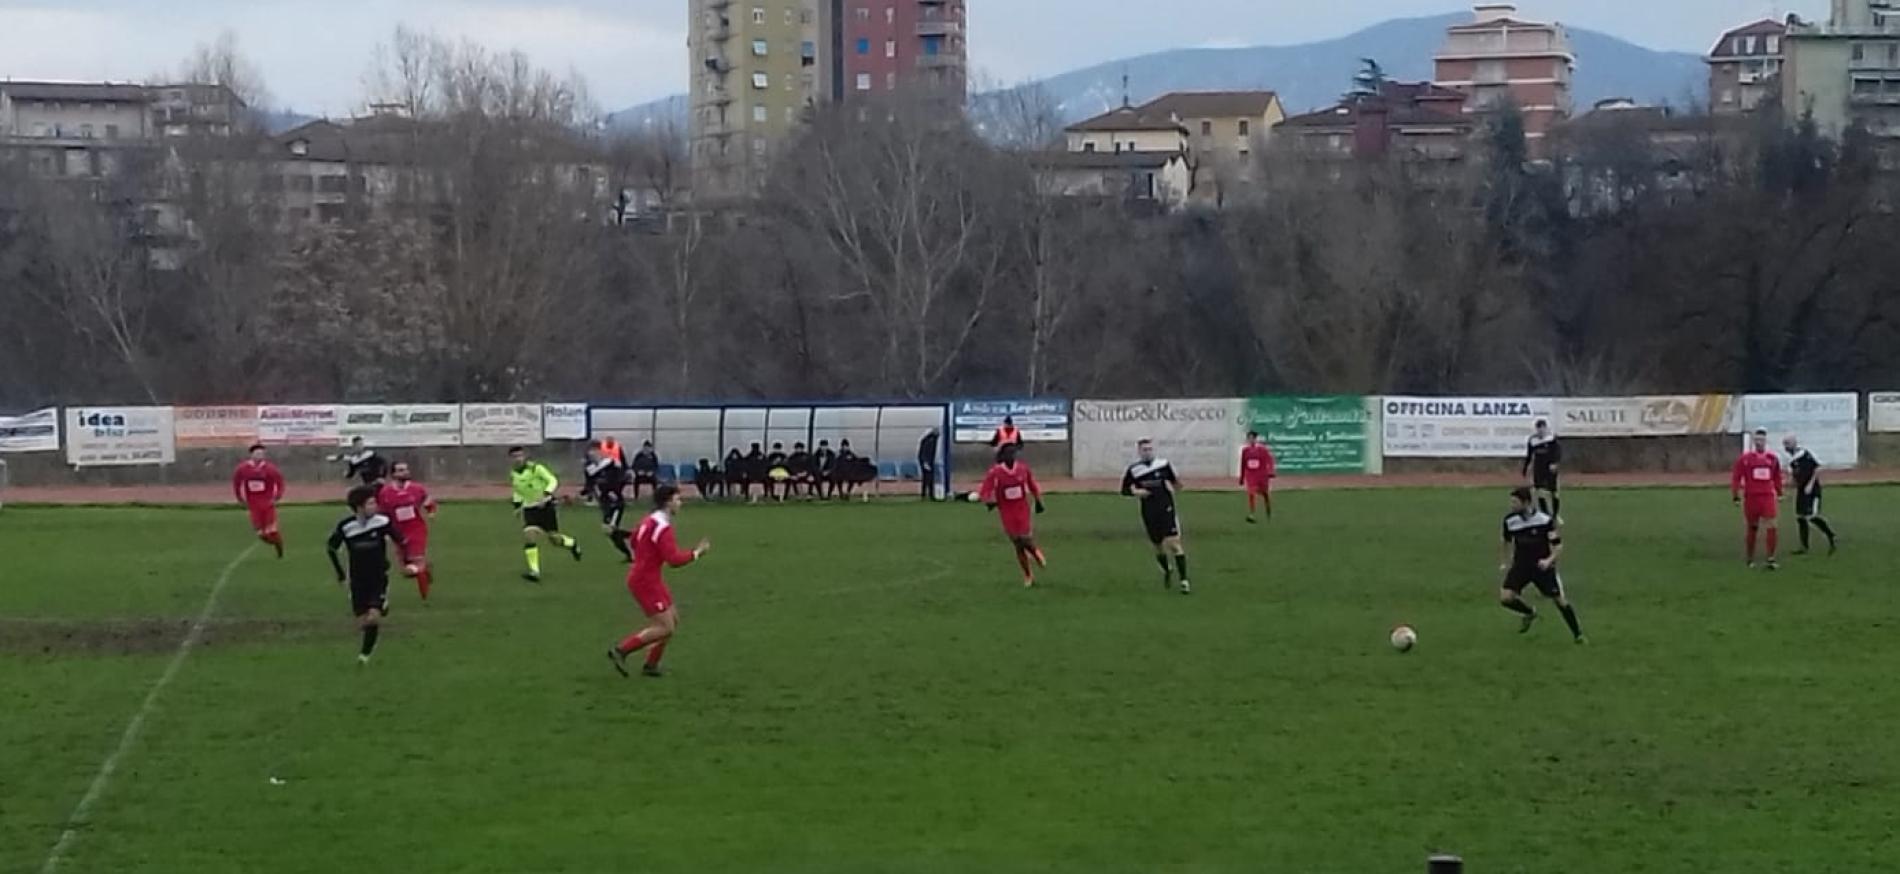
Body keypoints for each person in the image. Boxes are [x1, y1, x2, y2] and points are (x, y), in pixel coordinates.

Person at [607, 485, 711, 679]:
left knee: (673, 620)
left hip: (648, 576)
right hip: (645, 580)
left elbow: (635, 541)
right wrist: (697, 553)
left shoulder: (649, 520)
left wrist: (646, 558)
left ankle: (651, 665)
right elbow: (674, 560)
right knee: (665, 627)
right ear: (668, 502)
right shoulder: (663, 527)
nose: (680, 504)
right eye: (678, 500)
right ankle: (621, 651)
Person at [325, 485, 406, 665]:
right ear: (359, 507)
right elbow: (331, 548)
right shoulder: (346, 526)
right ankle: (377, 614)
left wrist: (406, 561)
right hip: (357, 579)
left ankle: (364, 656)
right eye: (370, 503)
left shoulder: (382, 521)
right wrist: (340, 574)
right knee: (364, 622)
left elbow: (400, 540)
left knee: (373, 617)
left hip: (378, 576)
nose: (375, 506)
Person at [1497, 486, 1586, 644]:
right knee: (1506, 598)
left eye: (1515, 502)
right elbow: (1506, 541)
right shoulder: (1510, 521)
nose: (1512, 505)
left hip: (1541, 567)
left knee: (1560, 601)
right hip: (1521, 566)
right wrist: (1505, 561)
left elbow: (1558, 546)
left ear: (1526, 503)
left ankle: (1578, 634)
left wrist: (1548, 560)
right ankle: (1529, 613)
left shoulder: (1544, 520)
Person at [1121, 439, 1192, 594]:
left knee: (1173, 543)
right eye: (1144, 449)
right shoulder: (1134, 470)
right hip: (1148, 510)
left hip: (1166, 507)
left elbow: (1177, 483)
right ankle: (1167, 569)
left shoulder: (1164, 464)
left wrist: (1176, 486)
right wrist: (1136, 492)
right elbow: (1124, 490)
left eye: (1150, 449)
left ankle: (1184, 580)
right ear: (1139, 452)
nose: (1148, 452)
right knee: (1157, 546)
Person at [977, 443, 1047, 587]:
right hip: (1006, 510)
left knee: (1025, 538)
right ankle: (1028, 575)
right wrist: (988, 501)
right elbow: (985, 490)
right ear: (1003, 456)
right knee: (1017, 543)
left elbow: (1032, 485)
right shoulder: (995, 472)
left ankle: (1035, 552)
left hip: (1022, 508)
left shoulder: (1022, 469)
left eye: (1014, 454)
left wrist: (1039, 501)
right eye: (1010, 454)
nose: (1013, 457)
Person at [509, 446, 582, 582]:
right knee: (529, 535)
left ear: (525, 456)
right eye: (514, 457)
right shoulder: (513, 473)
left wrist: (546, 494)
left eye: (520, 456)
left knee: (554, 539)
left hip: (546, 507)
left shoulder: (536, 468)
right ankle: (534, 571)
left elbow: (552, 480)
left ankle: (572, 544)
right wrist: (517, 506)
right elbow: (518, 491)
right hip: (530, 509)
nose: (518, 459)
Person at [376, 462, 438, 602]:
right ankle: (424, 569)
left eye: (406, 469)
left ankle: (425, 598)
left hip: (416, 530)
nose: (405, 472)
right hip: (397, 533)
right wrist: (384, 533)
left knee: (416, 563)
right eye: (400, 470)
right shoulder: (385, 493)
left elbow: (428, 502)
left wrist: (431, 512)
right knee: (406, 571)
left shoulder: (417, 489)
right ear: (393, 474)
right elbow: (383, 513)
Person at [1732, 429, 1785, 570]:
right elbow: (1737, 477)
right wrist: (1735, 495)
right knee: (1752, 528)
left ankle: (1771, 559)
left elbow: (1777, 477)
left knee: (1772, 526)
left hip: (1767, 496)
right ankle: (1750, 558)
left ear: (1765, 441)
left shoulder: (1772, 459)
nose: (1759, 443)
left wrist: (1780, 492)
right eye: (1757, 440)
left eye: (1761, 440)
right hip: (1751, 498)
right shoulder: (1745, 459)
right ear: (1753, 442)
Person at [1784, 435, 1839, 556]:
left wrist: (1810, 484)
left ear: (1794, 443)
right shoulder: (1792, 460)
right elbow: (1795, 476)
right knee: (1800, 517)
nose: (1785, 447)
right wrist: (1789, 490)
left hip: (1812, 491)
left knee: (1812, 516)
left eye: (1787, 444)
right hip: (1801, 491)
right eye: (1784, 444)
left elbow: (1817, 468)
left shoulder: (1804, 454)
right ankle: (1804, 546)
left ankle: (1831, 536)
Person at [232, 443, 287, 558]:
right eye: (257, 453)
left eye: (262, 453)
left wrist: (277, 496)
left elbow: (280, 482)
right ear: (251, 455)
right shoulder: (243, 469)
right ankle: (276, 543)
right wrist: (239, 497)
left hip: (267, 504)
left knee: (271, 530)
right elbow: (236, 483)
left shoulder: (270, 469)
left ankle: (280, 549)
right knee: (261, 534)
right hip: (253, 505)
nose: (259, 455)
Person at [584, 443, 634, 563]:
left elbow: (619, 472)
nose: (593, 455)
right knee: (610, 531)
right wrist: (589, 494)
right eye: (590, 453)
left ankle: (635, 543)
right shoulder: (590, 467)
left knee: (610, 529)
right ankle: (635, 541)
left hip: (615, 502)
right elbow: (590, 481)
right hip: (605, 503)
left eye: (595, 452)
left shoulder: (611, 463)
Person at [1523, 420, 1563, 519]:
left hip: (1550, 469)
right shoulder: (1532, 440)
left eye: (1542, 428)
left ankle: (1555, 514)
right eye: (1538, 428)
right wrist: (1525, 468)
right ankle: (1545, 514)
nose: (1540, 430)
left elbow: (1558, 452)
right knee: (1539, 491)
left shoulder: (1551, 438)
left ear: (1545, 428)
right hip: (1538, 469)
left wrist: (1555, 463)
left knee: (1553, 492)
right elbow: (1529, 455)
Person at [1239, 430, 1276, 524]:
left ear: (1256, 439)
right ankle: (1252, 514)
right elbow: (1243, 464)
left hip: (1262, 475)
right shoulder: (1245, 451)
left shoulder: (1262, 450)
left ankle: (1269, 513)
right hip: (1251, 476)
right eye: (1249, 438)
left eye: (1252, 438)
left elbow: (1270, 460)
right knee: (1251, 493)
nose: (1251, 440)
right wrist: (1242, 477)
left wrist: (1271, 471)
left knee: (1265, 495)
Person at [917, 428, 941, 501]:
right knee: (928, 478)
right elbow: (925, 452)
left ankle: (926, 495)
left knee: (927, 479)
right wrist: (926, 462)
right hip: (927, 461)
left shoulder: (927, 440)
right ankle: (928, 495)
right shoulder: (930, 441)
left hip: (926, 461)